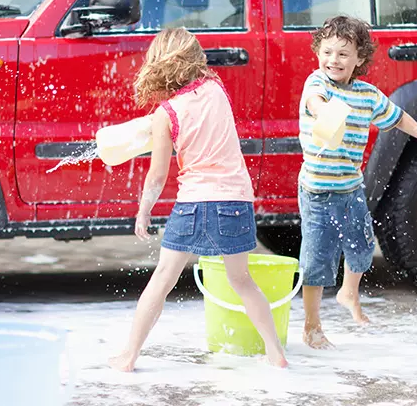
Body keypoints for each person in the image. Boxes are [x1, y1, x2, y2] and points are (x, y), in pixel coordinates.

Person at [109, 28, 288, 372]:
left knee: (162, 279)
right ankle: (275, 352)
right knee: (242, 281)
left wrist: (143, 211)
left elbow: (158, 175)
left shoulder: (166, 113)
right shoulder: (216, 89)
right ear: (196, 60)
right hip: (235, 201)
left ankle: (129, 355)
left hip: (193, 203)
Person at [298, 16, 417, 349]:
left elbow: (398, 118)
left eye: (343, 54)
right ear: (318, 53)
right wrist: (324, 114)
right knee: (317, 259)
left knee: (362, 245)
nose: (333, 60)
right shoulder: (317, 83)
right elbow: (313, 100)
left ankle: (349, 294)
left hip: (350, 187)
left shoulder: (367, 95)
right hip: (317, 190)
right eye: (328, 52)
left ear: (359, 59)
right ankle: (312, 326)